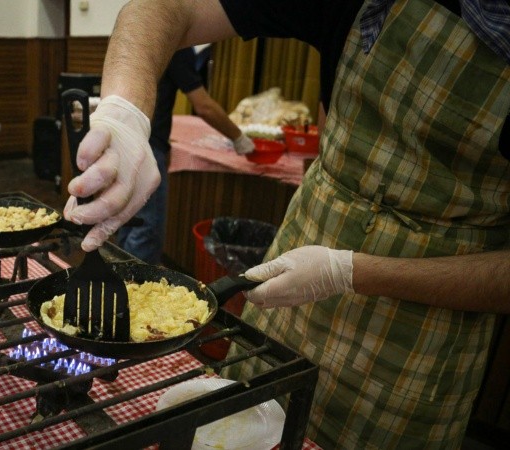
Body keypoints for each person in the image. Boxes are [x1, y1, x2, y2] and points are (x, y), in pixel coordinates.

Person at [63, 0, 510, 448]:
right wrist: (125, 111)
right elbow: (162, 7)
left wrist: (347, 271)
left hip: (427, 323)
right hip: (300, 263)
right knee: (241, 425)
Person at [116, 45, 253, 264]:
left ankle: (120, 272)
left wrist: (164, 145)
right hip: (146, 146)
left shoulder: (142, 41)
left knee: (129, 219)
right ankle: (135, 281)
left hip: (123, 138)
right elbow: (204, 106)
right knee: (147, 227)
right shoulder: (176, 47)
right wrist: (239, 137)